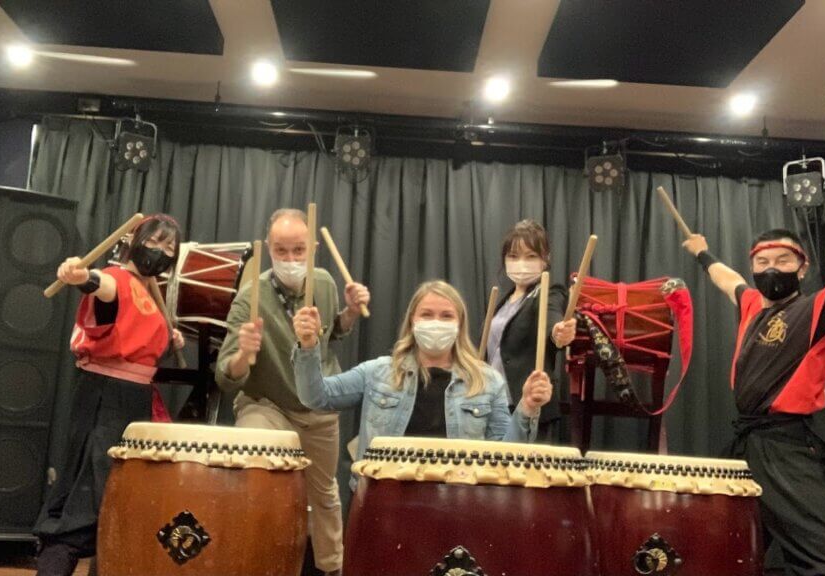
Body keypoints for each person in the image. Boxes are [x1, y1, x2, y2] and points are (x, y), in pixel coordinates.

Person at [682, 197, 825, 576]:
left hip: (786, 450)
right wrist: (702, 252)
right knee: (734, 550)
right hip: (747, 448)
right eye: (762, 262)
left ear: (802, 268)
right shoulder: (751, 305)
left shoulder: (817, 309)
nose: (771, 269)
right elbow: (726, 278)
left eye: (783, 260)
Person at [215, 208, 370, 576]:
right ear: (268, 249)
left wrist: (349, 313)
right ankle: (253, 562)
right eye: (281, 251)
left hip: (317, 406)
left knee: (325, 496)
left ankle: (331, 568)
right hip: (267, 403)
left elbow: (333, 334)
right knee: (254, 469)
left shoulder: (324, 284)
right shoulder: (250, 297)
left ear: (313, 248)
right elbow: (226, 376)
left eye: (299, 250)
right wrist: (244, 355)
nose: (290, 259)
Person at [34, 214, 185, 576]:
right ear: (135, 241)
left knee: (117, 506)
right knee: (85, 500)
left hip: (133, 402)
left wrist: (168, 338)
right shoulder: (117, 279)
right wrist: (81, 276)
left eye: (169, 247)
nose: (160, 251)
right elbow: (100, 286)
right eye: (154, 241)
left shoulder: (148, 291)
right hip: (105, 400)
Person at [293, 280, 550, 481]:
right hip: (385, 501)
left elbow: (505, 456)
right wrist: (308, 344)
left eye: (446, 316)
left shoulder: (488, 382)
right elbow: (316, 397)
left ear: (460, 324)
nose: (436, 323)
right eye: (426, 314)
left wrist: (527, 407)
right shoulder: (376, 372)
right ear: (412, 321)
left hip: (459, 504)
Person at [484, 220, 575, 442]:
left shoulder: (549, 292)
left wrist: (557, 333)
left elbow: (552, 319)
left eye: (531, 256)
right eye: (513, 256)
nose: (521, 263)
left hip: (528, 403)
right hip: (491, 403)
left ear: (545, 259)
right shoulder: (503, 301)